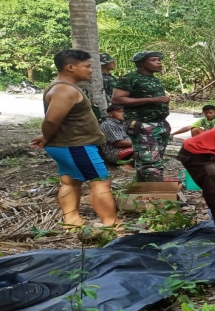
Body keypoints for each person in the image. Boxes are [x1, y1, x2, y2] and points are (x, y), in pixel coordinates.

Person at [30, 50, 120, 229]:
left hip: (67, 145)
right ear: (70, 67)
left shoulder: (61, 86)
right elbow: (51, 119)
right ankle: (112, 223)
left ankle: (72, 220)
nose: (91, 70)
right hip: (76, 145)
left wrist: (47, 137)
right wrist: (47, 136)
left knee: (71, 181)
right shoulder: (64, 89)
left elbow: (58, 120)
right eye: (86, 66)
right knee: (100, 182)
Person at [111, 51, 171, 182]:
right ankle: (158, 199)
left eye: (159, 60)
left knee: (153, 161)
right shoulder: (130, 78)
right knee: (150, 165)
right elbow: (117, 99)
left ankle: (141, 193)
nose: (159, 62)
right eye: (153, 60)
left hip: (159, 124)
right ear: (141, 63)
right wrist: (152, 100)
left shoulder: (154, 79)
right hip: (143, 125)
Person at [100, 105, 134, 172]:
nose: (123, 113)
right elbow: (118, 143)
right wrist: (138, 142)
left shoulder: (121, 123)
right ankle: (126, 165)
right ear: (110, 114)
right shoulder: (108, 124)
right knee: (142, 147)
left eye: (124, 111)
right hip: (115, 153)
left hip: (125, 149)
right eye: (120, 112)